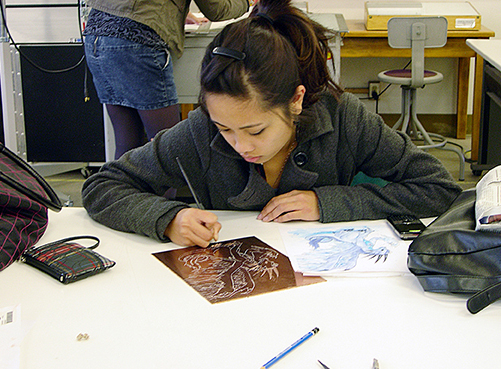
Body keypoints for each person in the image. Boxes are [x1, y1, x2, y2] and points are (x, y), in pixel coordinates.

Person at [82, 0, 462, 248]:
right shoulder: (200, 131)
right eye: (225, 128)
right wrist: (167, 218)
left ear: (296, 101)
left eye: (256, 130)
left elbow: (437, 188)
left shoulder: (344, 117)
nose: (239, 145)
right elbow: (102, 185)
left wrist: (326, 203)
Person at [83, 0, 252, 159]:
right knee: (169, 152)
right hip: (137, 38)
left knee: (127, 145)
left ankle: (122, 190)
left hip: (97, 36)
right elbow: (216, 9)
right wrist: (247, 2)